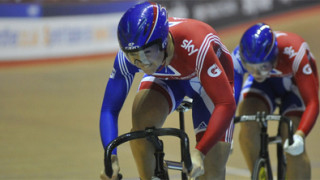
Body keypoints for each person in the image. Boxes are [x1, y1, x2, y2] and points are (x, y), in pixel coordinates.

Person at [99, 1, 236, 180]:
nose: (141, 63)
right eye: (133, 57)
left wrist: (199, 153)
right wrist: (112, 158)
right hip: (167, 76)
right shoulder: (130, 57)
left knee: (210, 170)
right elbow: (109, 110)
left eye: (146, 53)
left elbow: (226, 104)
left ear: (163, 42)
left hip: (208, 84)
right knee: (141, 122)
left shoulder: (195, 45)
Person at [232, 22, 319, 179]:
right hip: (265, 86)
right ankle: (259, 175)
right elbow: (229, 103)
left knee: (292, 140)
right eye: (250, 68)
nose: (257, 73)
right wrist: (225, 132)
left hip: (294, 86)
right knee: (248, 125)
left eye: (263, 67)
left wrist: (300, 135)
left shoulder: (294, 52)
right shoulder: (237, 57)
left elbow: (312, 103)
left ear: (274, 56)